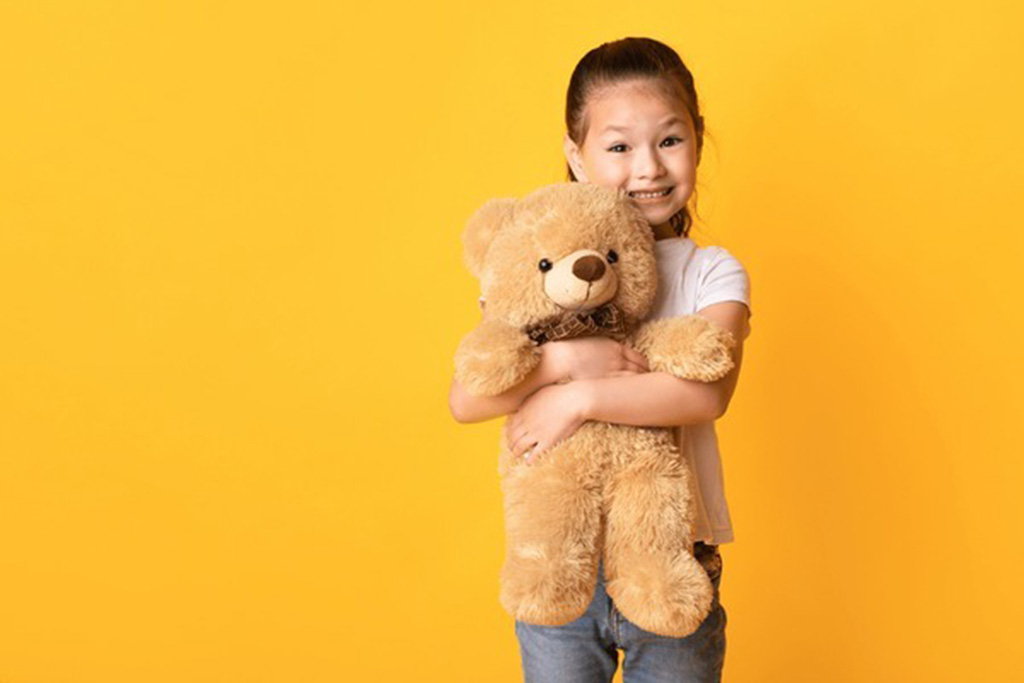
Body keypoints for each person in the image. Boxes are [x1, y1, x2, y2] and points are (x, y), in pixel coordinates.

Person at [449, 36, 752, 683]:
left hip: (673, 559)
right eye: (618, 146)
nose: (647, 167)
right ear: (576, 157)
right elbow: (468, 397)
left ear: (697, 140)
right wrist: (564, 360)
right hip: (564, 561)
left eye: (669, 140)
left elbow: (705, 393)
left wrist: (577, 396)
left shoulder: (711, 273)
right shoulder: (537, 269)